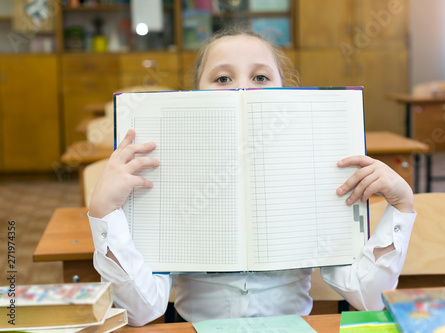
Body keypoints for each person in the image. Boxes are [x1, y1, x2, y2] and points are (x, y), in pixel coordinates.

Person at [88, 26, 415, 326]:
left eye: (260, 78)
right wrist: (105, 212)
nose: (242, 89)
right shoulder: (162, 171)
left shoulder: (320, 164)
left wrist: (401, 206)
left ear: (285, 90)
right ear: (193, 93)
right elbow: (142, 309)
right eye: (222, 79)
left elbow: (369, 296)